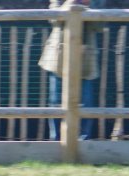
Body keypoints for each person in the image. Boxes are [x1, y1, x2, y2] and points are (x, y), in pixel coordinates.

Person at [38, 0, 106, 141]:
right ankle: (56, 142)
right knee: (56, 103)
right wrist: (71, 2)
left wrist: (88, 5)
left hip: (85, 61)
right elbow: (54, 19)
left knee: (86, 105)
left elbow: (100, 26)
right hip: (59, 59)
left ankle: (84, 143)